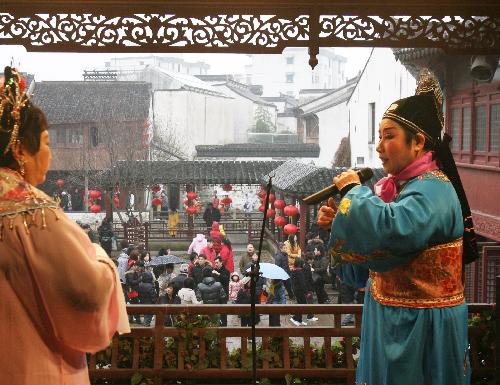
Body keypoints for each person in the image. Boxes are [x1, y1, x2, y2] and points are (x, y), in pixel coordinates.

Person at [319, 69, 479, 385]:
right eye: (379, 136)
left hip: (422, 325)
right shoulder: (397, 188)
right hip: (389, 315)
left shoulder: (434, 188)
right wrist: (338, 224)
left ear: (418, 142)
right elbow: (369, 263)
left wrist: (353, 192)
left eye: (389, 136)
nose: (379, 147)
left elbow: (393, 232)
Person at [0, 66, 129, 385]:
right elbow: (87, 290)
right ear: (19, 148)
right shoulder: (34, 212)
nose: (50, 153)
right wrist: (99, 257)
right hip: (34, 367)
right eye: (45, 142)